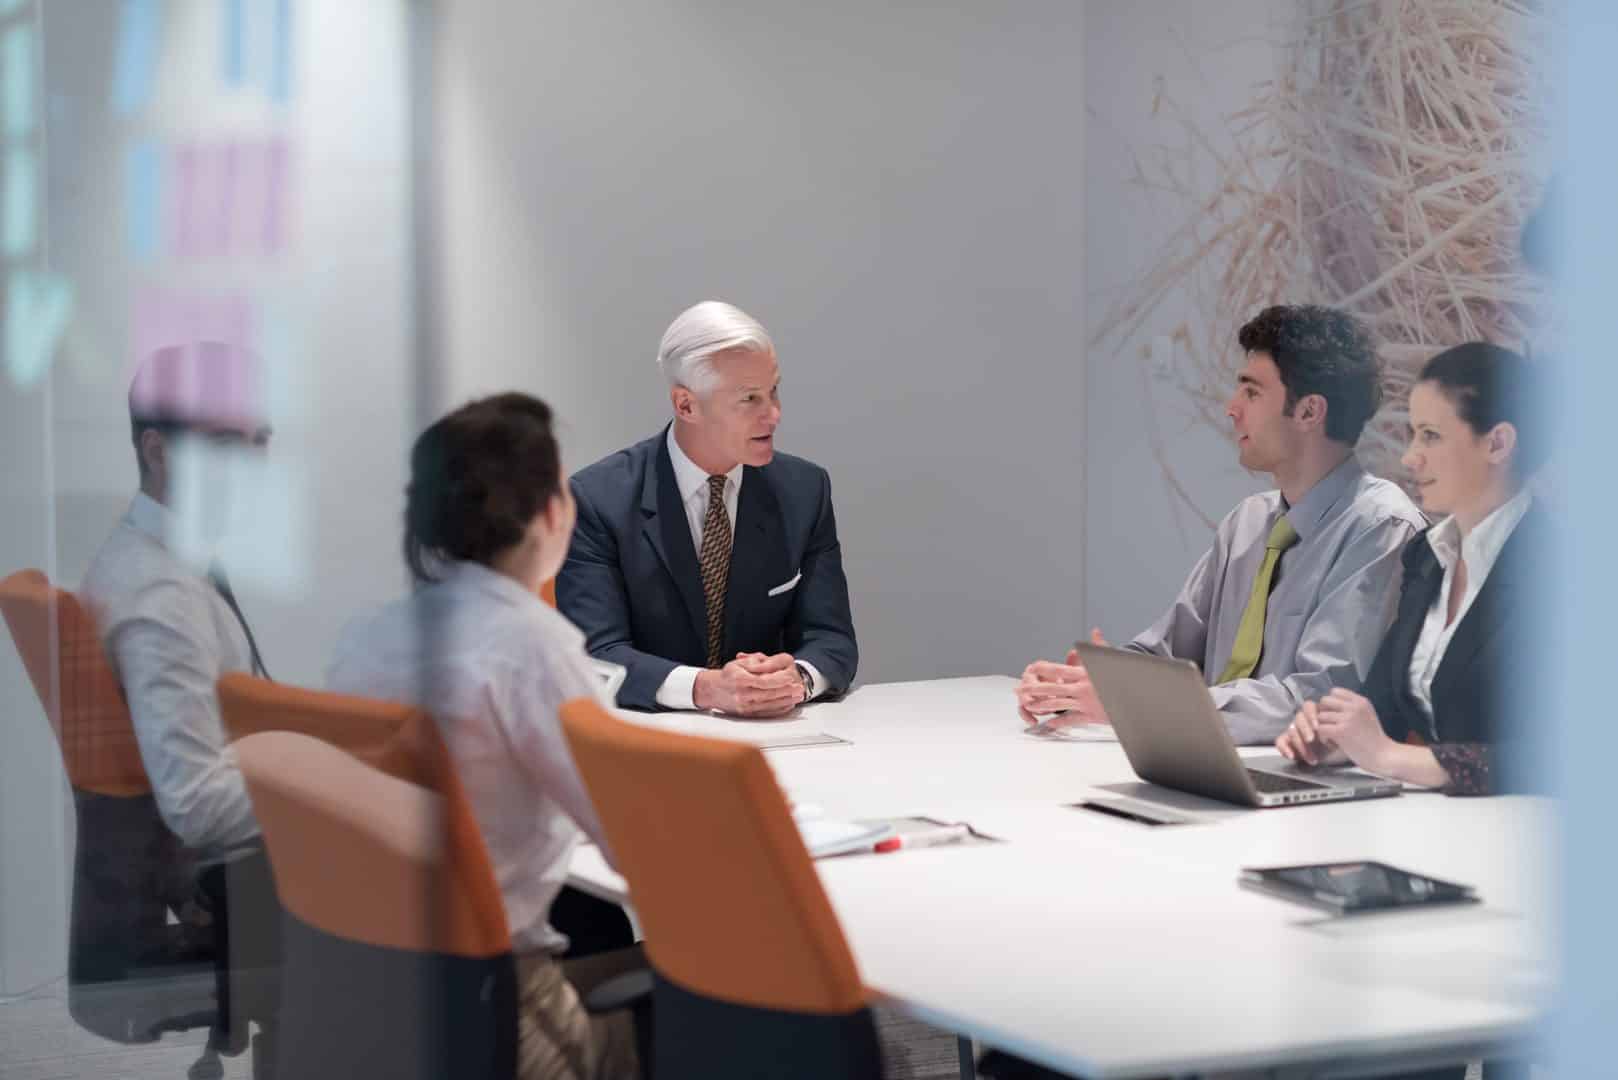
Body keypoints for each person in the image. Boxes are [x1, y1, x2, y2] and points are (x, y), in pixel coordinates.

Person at [326, 393, 638, 1080]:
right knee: (803, 1029)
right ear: (550, 511)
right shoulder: (529, 642)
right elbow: (638, 841)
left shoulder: (370, 636)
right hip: (505, 1010)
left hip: (378, 997)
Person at [1016, 305, 1426, 744]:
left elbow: (1316, 698)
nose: (1232, 409)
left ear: (1309, 412)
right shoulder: (1247, 524)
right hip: (1211, 762)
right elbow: (1169, 653)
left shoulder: (1382, 529)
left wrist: (1132, 702)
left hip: (1301, 780)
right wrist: (1087, 684)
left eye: (1251, 393)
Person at [80, 341, 280, 1052]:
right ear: (159, 451)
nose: (255, 464)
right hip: (245, 887)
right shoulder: (163, 594)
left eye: (261, 440)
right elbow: (194, 803)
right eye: (228, 443)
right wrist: (336, 779)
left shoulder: (169, 562)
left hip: (246, 872)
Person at [558, 300, 857, 716]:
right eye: (749, 398)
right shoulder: (597, 499)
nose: (774, 414)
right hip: (648, 744)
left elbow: (832, 639)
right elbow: (596, 657)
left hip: (775, 738)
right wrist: (707, 688)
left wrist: (797, 679)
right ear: (686, 405)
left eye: (774, 390)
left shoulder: (805, 490)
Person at [1277, 343, 1547, 797]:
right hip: (1443, 826)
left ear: (1498, 442)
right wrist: (1337, 736)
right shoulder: (1427, 555)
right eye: (1412, 434)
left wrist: (1391, 757)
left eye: (1430, 435)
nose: (1409, 457)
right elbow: (1386, 707)